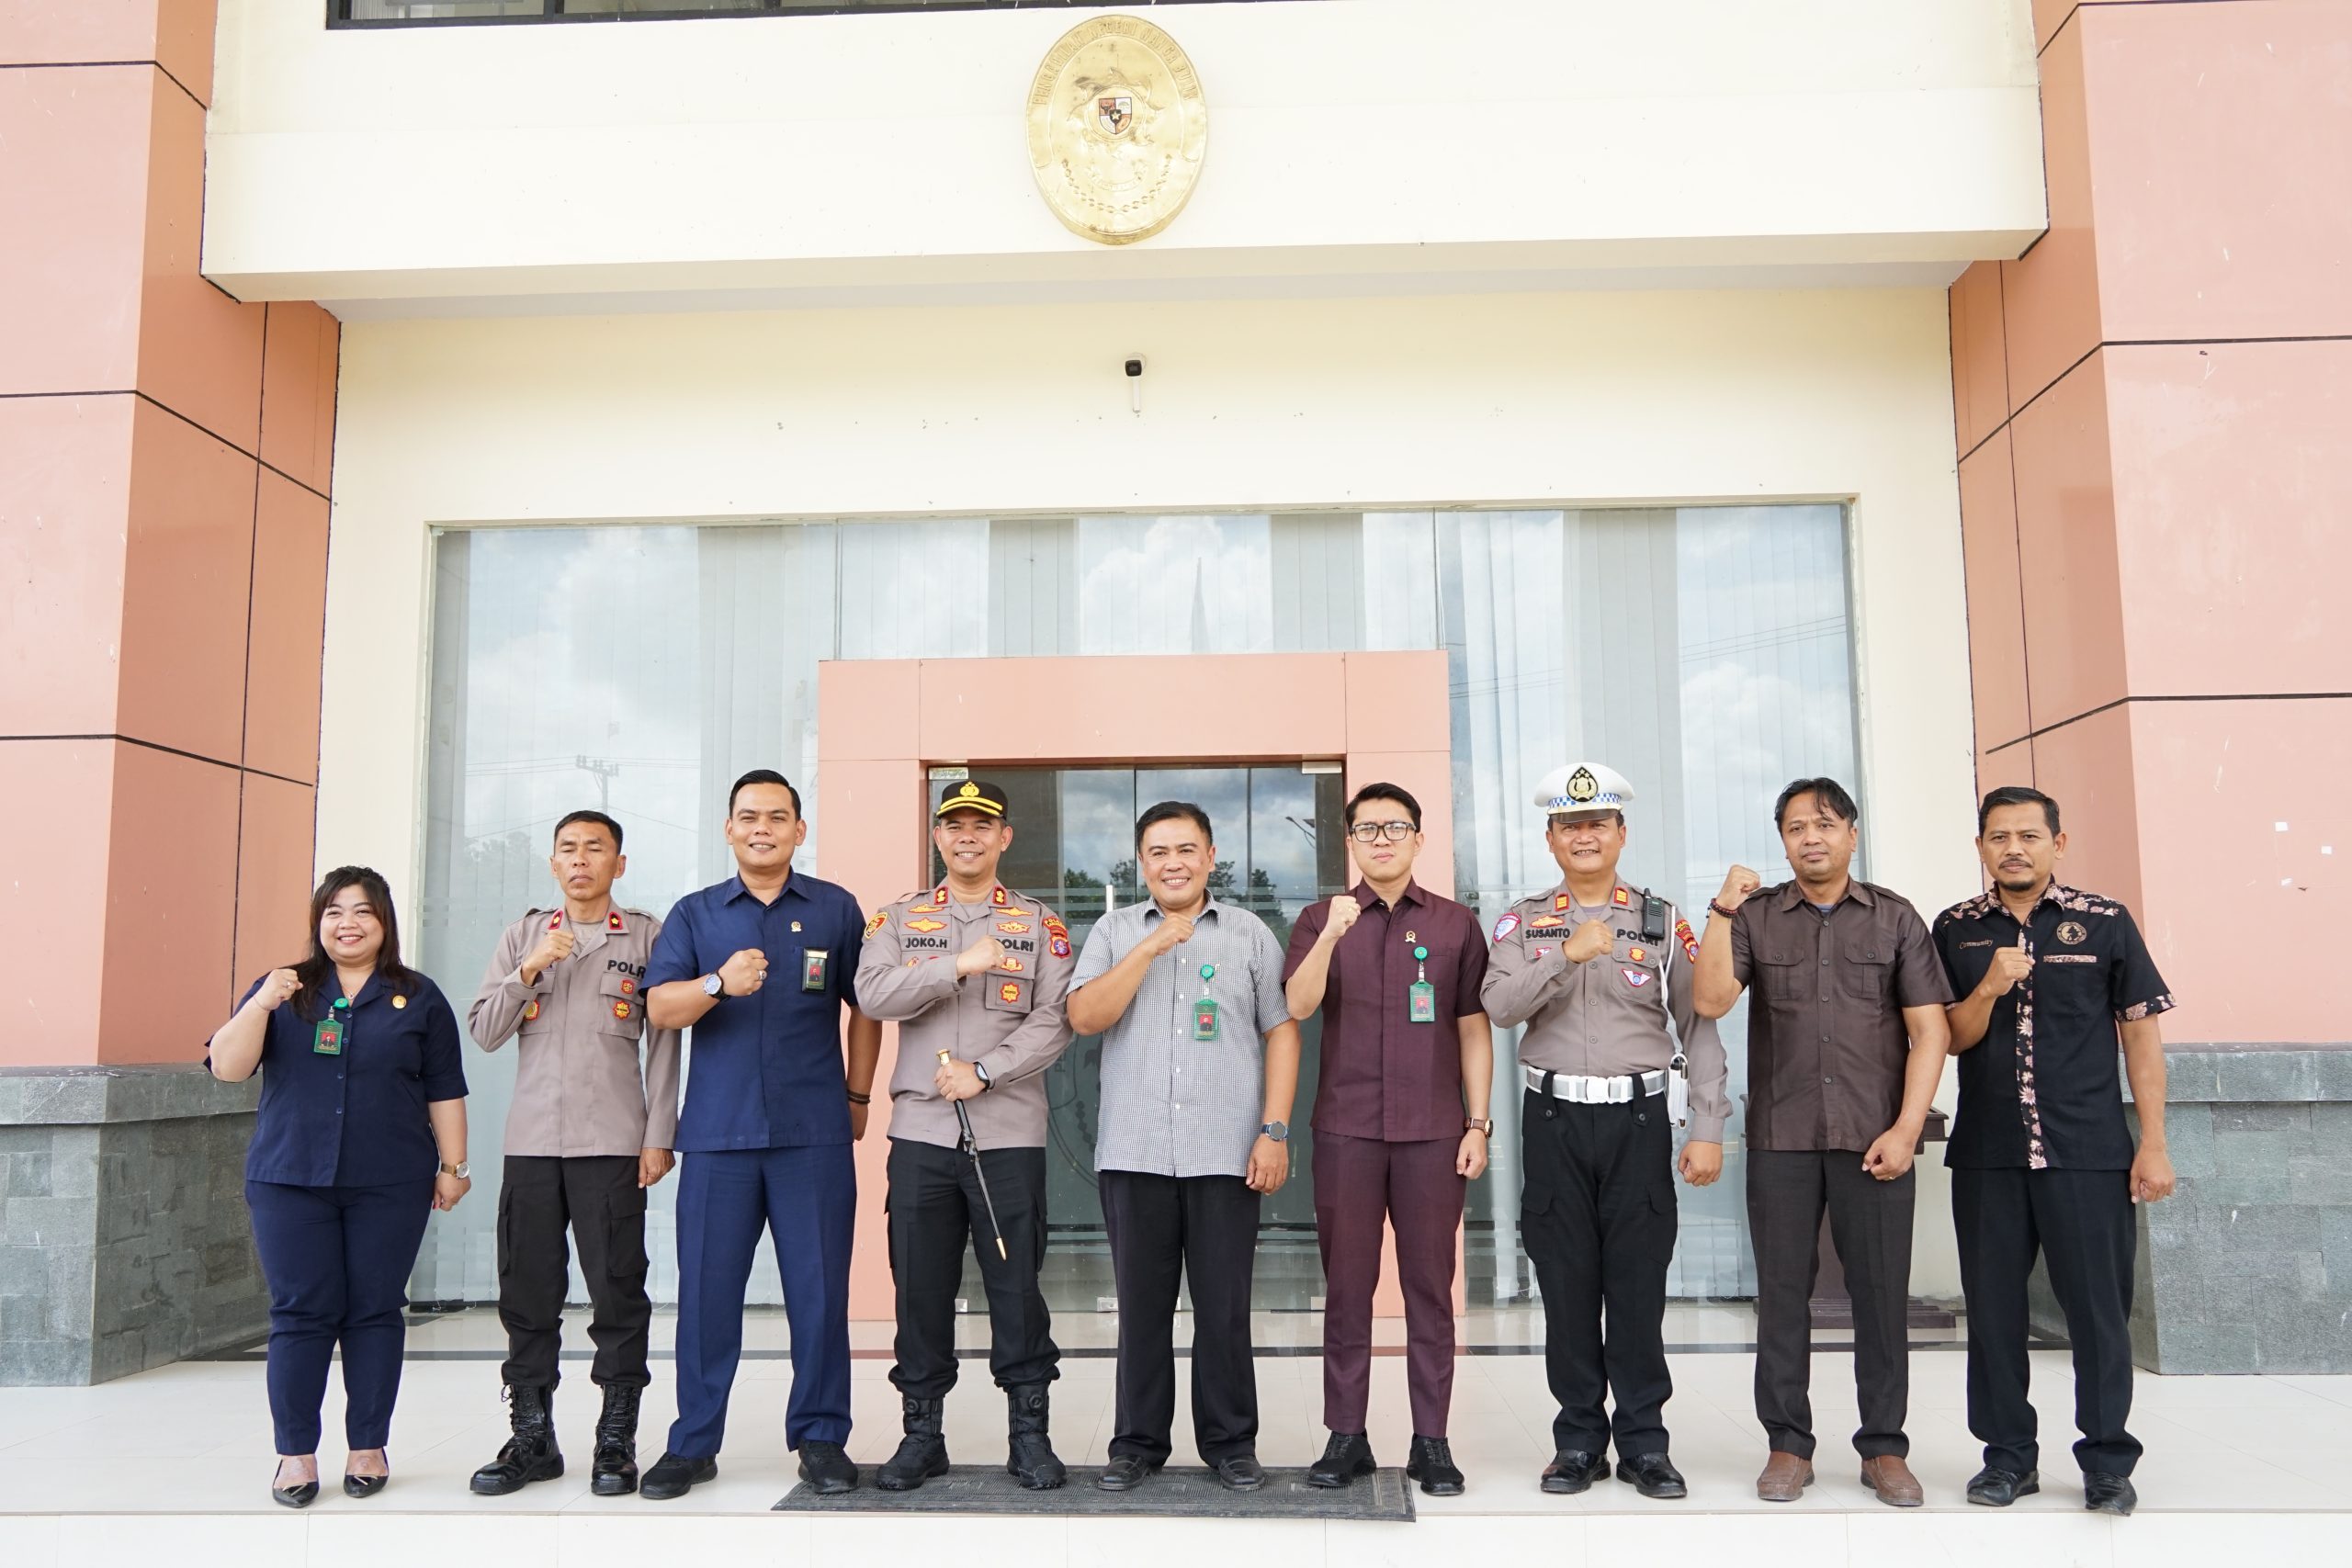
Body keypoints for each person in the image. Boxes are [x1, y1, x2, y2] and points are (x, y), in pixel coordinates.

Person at [1690, 777, 1952, 1507]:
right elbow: (1710, 999)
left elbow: (1931, 1030)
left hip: (1876, 1137)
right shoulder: (1756, 916)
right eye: (1797, 826)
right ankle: (1787, 1444)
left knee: (1881, 1296)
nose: (1812, 836)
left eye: (1826, 823)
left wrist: (1906, 1128)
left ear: (1851, 835)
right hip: (1783, 1135)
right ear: (1783, 841)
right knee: (1782, 1295)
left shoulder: (1896, 918)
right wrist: (1721, 908)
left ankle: (1885, 1448)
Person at [1480, 762, 1728, 1500]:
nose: (1583, 835)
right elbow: (1498, 1005)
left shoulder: (1659, 919)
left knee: (1637, 1284)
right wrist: (1565, 955)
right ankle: (1579, 1440)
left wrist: (1707, 1124)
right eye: (1569, 825)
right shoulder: (1525, 921)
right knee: (1565, 1284)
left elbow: (1698, 1022)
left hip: (1638, 1119)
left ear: (1620, 832)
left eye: (1597, 823)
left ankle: (1646, 1442)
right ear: (1550, 839)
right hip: (1554, 1118)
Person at [635, 770, 882, 1500]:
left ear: (799, 830)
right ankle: (692, 1441)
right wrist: (718, 983)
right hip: (719, 1136)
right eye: (749, 816)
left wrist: (858, 1093)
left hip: (813, 1134)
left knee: (819, 1292)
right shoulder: (696, 914)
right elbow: (660, 1008)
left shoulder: (835, 908)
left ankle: (821, 1436)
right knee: (707, 1296)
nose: (762, 828)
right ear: (729, 829)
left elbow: (867, 1004)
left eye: (777, 816)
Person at [1932, 784, 2175, 1517]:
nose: (2014, 848)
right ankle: (2007, 1457)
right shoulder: (1956, 929)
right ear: (1980, 846)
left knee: (2099, 1313)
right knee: (1994, 1315)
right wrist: (1987, 988)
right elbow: (1948, 1037)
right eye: (1999, 836)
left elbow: (2141, 1036)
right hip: (1990, 1153)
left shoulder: (2105, 921)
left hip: (2088, 1152)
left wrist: (2153, 1142)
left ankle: (2107, 1461)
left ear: (2057, 843)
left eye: (2029, 835)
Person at [205, 866, 471, 1508]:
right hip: (290, 1179)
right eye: (334, 912)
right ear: (318, 921)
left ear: (385, 923)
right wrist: (260, 1003)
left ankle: (368, 1446)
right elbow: (227, 1067)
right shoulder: (286, 989)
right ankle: (295, 1452)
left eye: (363, 911)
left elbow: (444, 1087)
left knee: (375, 1309)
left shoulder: (418, 996)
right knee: (300, 1311)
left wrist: (454, 1166)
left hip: (391, 1179)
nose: (347, 923)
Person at [1067, 801, 1303, 1494]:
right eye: (1159, 852)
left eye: (1186, 849)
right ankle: (1137, 1443)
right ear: (1141, 862)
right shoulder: (1113, 931)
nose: (1173, 863)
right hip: (1134, 1150)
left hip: (1225, 1151)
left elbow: (1282, 1030)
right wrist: (1149, 947)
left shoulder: (1249, 933)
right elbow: (1085, 1016)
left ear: (1210, 856)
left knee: (1223, 1308)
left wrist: (1274, 1129)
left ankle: (1230, 1442)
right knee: (1141, 1309)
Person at [854, 780, 1079, 1491]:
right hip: (922, 1133)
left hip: (1008, 1133)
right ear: (938, 836)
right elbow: (872, 993)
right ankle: (922, 1435)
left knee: (1016, 1284)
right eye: (955, 824)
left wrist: (986, 1070)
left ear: (1004, 836)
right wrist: (954, 965)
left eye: (982, 825)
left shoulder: (1038, 923)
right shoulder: (899, 918)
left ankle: (1029, 1435)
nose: (968, 836)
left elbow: (1056, 1019)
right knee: (920, 1286)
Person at [463, 809, 683, 1497]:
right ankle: (532, 1437)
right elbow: (485, 1032)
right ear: (553, 863)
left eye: (595, 848)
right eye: (568, 849)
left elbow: (666, 1044)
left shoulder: (647, 936)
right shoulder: (523, 935)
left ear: (619, 864)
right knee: (527, 1291)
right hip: (532, 1142)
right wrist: (529, 968)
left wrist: (659, 1134)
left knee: (618, 1291)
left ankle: (616, 1438)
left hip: (612, 1141)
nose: (581, 859)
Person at [1283, 781, 1494, 1496]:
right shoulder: (1320, 918)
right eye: (1367, 828)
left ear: (1418, 838)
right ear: (1350, 841)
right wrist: (1333, 934)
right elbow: (1298, 1004)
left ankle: (1432, 1439)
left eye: (1394, 827)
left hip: (1433, 1133)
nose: (1381, 839)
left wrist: (1477, 1121)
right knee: (1348, 1287)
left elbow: (1472, 1026)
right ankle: (1346, 1434)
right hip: (1347, 1131)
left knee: (1429, 1288)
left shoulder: (1456, 924)